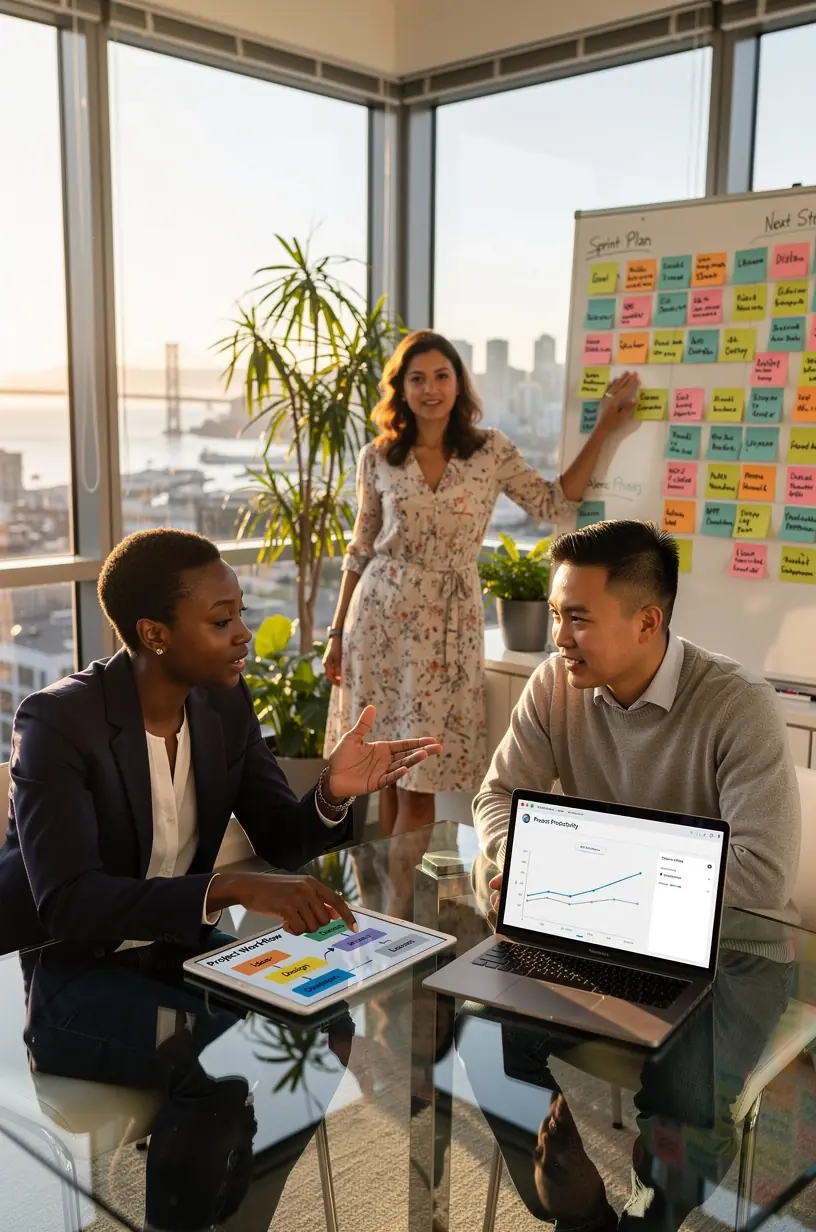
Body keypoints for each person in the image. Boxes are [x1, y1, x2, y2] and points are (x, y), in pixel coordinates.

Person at [0, 529, 441, 955]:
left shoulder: (224, 703)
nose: (243, 633)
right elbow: (70, 903)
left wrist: (331, 791)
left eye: (241, 613)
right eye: (222, 620)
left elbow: (282, 842)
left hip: (177, 950)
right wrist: (229, 886)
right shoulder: (57, 722)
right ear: (154, 634)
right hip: (63, 966)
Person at [322, 329, 639, 841]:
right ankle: (388, 906)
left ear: (458, 383)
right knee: (381, 775)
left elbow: (555, 504)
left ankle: (403, 911)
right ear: (400, 389)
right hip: (380, 622)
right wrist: (336, 633)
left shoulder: (490, 451)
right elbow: (360, 548)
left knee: (420, 778)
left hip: (449, 625)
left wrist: (603, 428)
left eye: (441, 376)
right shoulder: (378, 457)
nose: (430, 389)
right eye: (417, 378)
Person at [475, 519, 801, 912]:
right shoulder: (553, 684)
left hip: (718, 948)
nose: (559, 637)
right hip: (591, 919)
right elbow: (497, 796)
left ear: (647, 622)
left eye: (578, 619)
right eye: (556, 614)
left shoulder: (740, 705)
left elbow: (764, 875)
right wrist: (524, 859)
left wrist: (585, 869)